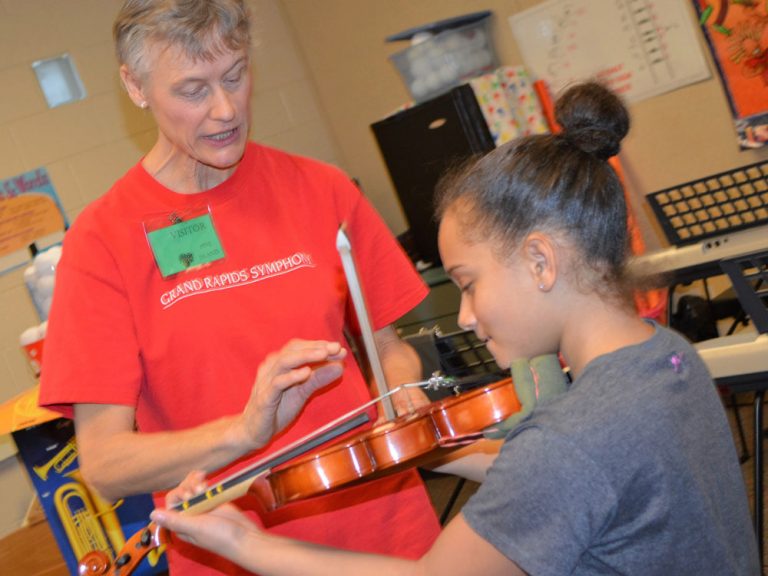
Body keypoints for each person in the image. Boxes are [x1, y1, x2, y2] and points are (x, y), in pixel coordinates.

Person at [150, 81, 761, 575]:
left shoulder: (568, 440)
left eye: (468, 283)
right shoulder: (667, 355)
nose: (465, 315)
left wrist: (247, 545)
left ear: (541, 261)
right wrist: (439, 448)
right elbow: (579, 482)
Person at [38, 0, 442, 573]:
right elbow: (105, 463)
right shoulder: (100, 242)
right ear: (135, 86)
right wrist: (243, 433)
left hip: (389, 536)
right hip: (232, 556)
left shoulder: (321, 188)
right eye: (193, 89)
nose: (225, 109)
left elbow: (389, 349)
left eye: (235, 76)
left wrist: (400, 392)